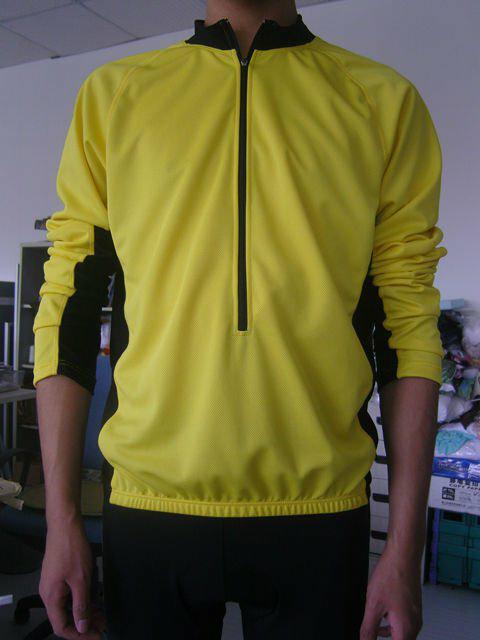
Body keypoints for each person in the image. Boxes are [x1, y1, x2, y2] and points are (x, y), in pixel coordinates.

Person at [32, 0, 447, 638]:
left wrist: (406, 546)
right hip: (148, 503)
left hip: (319, 507)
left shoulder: (382, 100)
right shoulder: (114, 95)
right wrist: (61, 520)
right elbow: (69, 310)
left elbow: (408, 323)